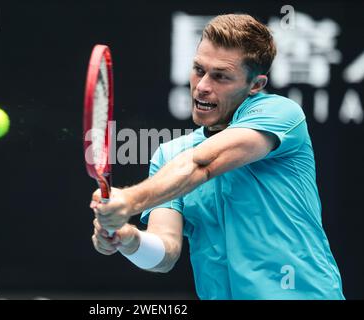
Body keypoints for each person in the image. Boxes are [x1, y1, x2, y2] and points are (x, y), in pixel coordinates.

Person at [90, 14, 344, 299]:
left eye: (220, 76)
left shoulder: (282, 114)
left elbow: (203, 164)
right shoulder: (170, 155)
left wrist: (129, 200)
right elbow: (165, 254)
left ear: (256, 85)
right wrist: (129, 240)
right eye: (199, 69)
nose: (202, 86)